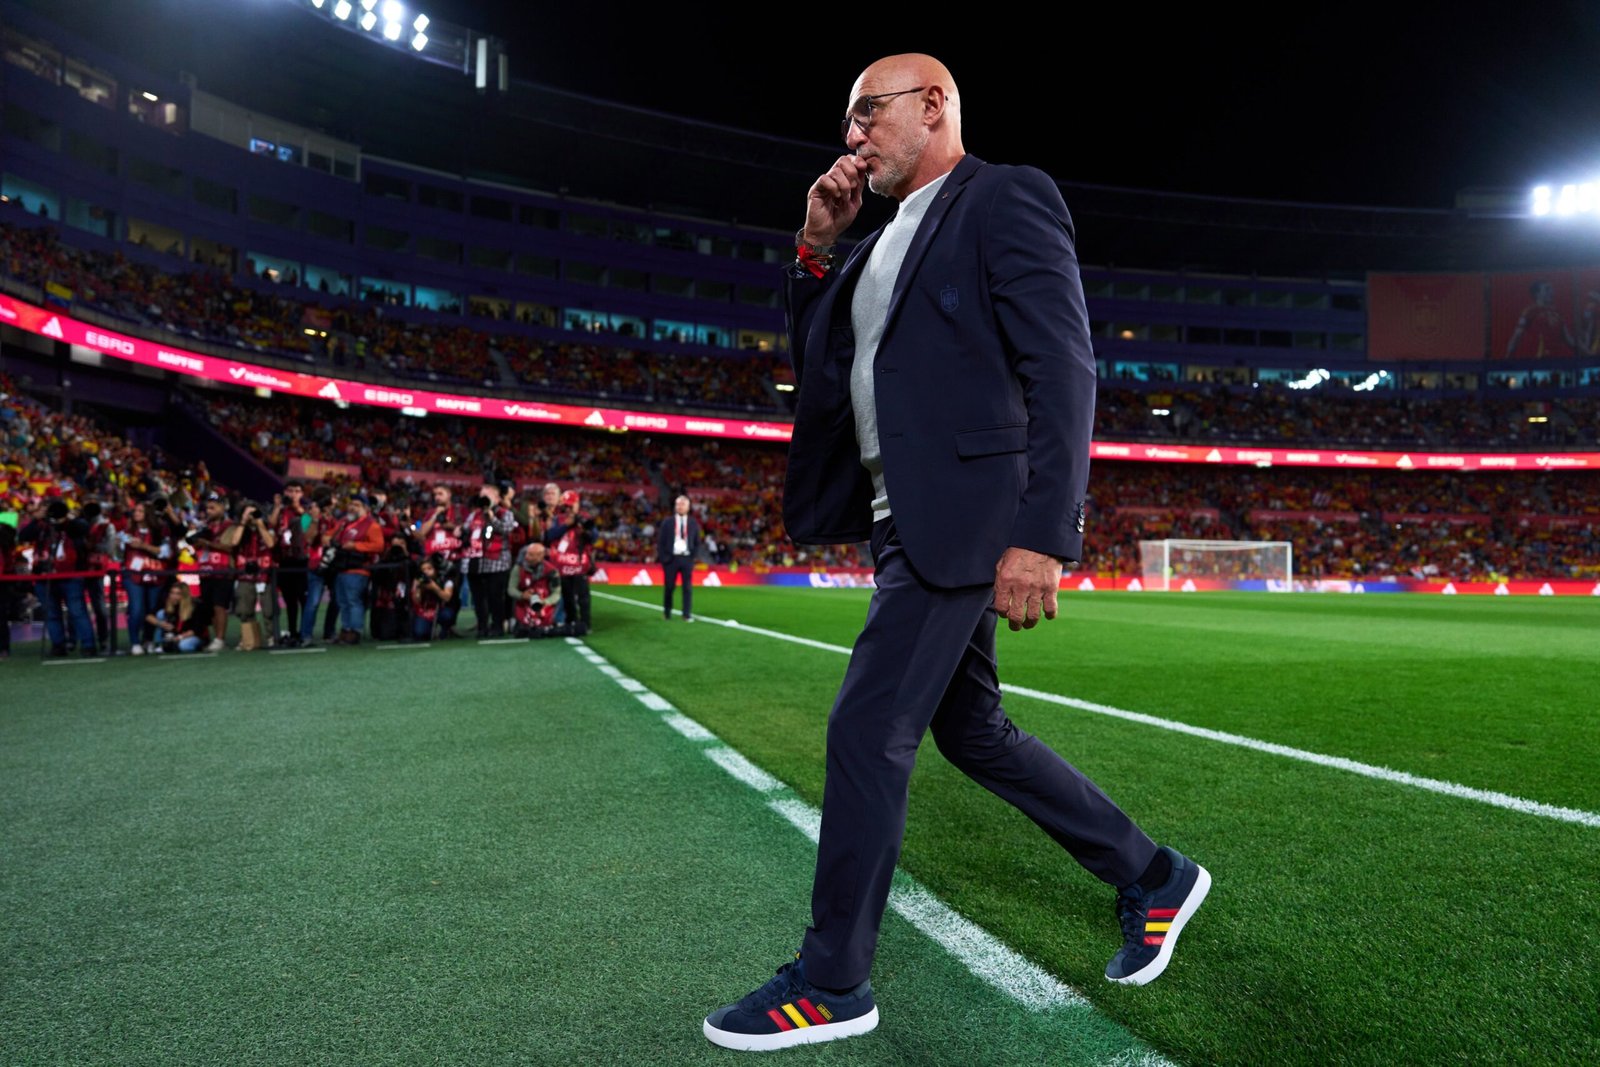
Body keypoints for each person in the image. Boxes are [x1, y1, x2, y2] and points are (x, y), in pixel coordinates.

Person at [703, 55, 1209, 1052]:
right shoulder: (879, 237)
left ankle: (832, 980)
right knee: (969, 728)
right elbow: (816, 364)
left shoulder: (1002, 197)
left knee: (863, 728)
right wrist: (814, 247)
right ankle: (1154, 875)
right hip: (906, 513)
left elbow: (1063, 361)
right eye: (847, 123)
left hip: (967, 513)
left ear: (933, 104)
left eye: (866, 115)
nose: (852, 138)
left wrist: (1041, 531)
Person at [656, 494, 701, 621]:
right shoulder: (668, 522)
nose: (680, 507)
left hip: (687, 559)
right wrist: (664, 558)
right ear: (675, 506)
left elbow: (697, 541)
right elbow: (661, 542)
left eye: (683, 504)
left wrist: (693, 556)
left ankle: (686, 614)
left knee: (687, 588)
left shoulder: (693, 523)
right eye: (678, 504)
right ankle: (667, 612)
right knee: (669, 587)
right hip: (671, 559)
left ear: (688, 507)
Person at [507, 541, 561, 637]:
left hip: (544, 604)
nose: (527, 557)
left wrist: (545, 602)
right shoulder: (518, 569)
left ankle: (555, 621)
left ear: (541, 556)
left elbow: (556, 593)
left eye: (531, 555)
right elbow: (511, 589)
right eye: (527, 553)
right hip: (523, 604)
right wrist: (522, 595)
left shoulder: (552, 571)